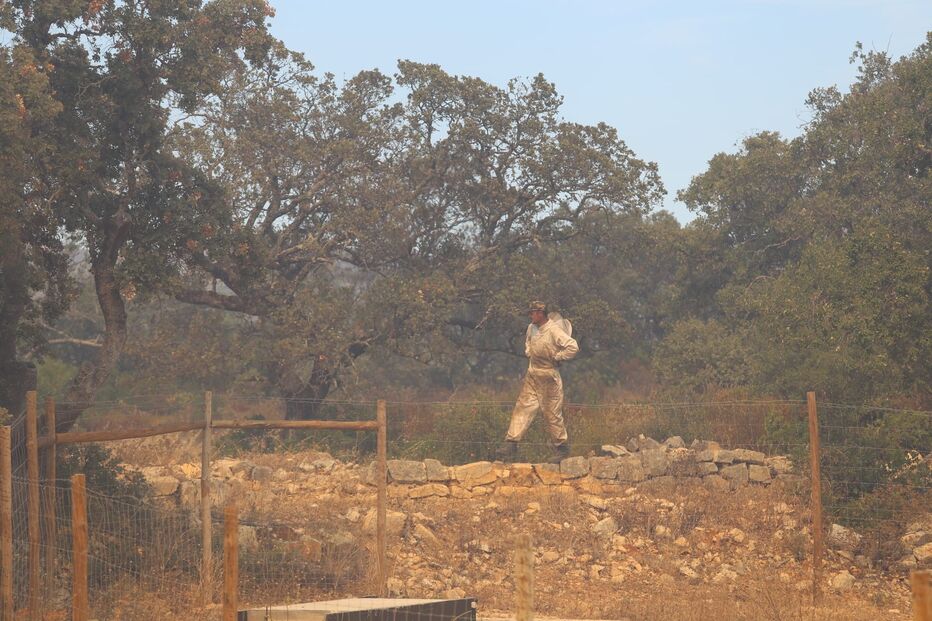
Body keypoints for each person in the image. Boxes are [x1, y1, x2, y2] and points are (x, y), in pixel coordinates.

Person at [498, 301, 579, 463]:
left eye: (533, 313)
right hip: (533, 374)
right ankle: (511, 443)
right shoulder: (531, 328)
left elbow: (573, 347)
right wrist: (529, 351)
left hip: (549, 377)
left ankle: (562, 448)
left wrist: (558, 356)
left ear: (541, 313)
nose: (530, 316)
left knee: (552, 414)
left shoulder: (554, 330)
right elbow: (528, 342)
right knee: (523, 407)